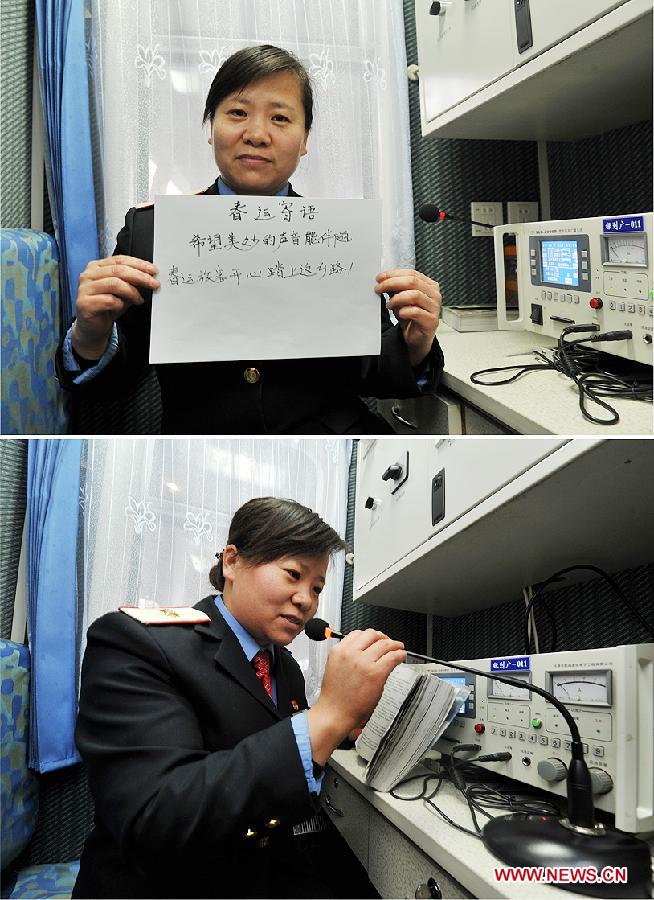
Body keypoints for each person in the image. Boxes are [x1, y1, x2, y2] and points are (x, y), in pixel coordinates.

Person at [55, 44, 444, 435]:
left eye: (280, 117)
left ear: (305, 138)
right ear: (211, 128)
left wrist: (414, 344)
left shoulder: (335, 234)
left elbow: (371, 372)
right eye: (238, 113)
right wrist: (90, 333)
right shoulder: (152, 232)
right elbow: (113, 384)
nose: (257, 134)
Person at [72, 497, 407, 899]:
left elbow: (263, 747)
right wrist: (327, 718)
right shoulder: (137, 642)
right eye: (292, 574)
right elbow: (155, 818)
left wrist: (343, 727)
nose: (307, 600)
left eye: (316, 587)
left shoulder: (284, 668)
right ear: (231, 562)